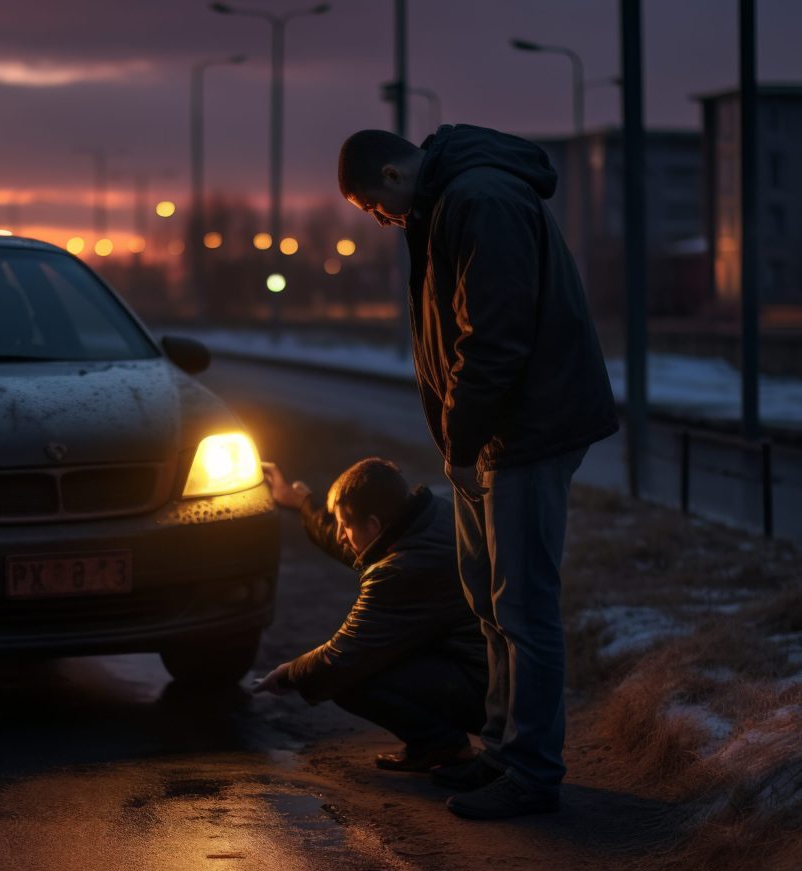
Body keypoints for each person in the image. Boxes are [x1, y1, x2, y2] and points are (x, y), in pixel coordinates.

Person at [338, 126, 619, 819]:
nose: (381, 221)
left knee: (522, 606)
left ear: (393, 177)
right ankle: (500, 750)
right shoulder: (447, 202)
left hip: (526, 430)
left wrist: (461, 445)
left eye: (376, 208)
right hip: (493, 435)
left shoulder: (480, 199)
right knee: (490, 603)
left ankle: (532, 772)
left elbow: (493, 335)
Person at [254, 458, 488, 772]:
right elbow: (354, 546)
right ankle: (439, 744)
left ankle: (441, 746)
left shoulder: (400, 572)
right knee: (361, 660)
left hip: (485, 695)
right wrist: (302, 503)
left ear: (375, 525)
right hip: (485, 673)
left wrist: (289, 673)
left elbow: (342, 657)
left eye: (344, 525)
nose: (339, 535)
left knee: (348, 676)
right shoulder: (432, 518)